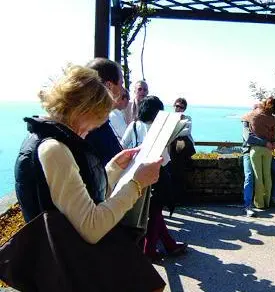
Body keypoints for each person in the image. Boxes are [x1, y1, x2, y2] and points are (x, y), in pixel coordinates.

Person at [13, 65, 165, 290]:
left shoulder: (41, 138)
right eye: (94, 121)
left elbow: (75, 200)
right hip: (71, 271)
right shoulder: (54, 149)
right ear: (81, 110)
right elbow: (92, 227)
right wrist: (136, 183)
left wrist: (113, 168)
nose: (90, 131)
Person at [122, 96, 188, 261]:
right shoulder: (160, 130)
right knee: (155, 211)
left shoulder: (135, 125)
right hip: (158, 173)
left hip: (138, 172)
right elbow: (164, 157)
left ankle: (169, 245)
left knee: (153, 212)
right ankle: (149, 249)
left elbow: (123, 145)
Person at [84, 58, 124, 166]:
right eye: (121, 84)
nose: (123, 90)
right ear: (109, 86)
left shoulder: (92, 121)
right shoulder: (91, 127)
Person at [241, 121, 275, 217]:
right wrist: (265, 143)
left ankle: (274, 197)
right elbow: (249, 138)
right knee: (249, 176)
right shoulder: (246, 123)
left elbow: (270, 136)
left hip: (265, 154)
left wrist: (273, 142)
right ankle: (247, 205)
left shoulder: (262, 122)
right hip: (249, 153)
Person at [242, 97, 275, 209]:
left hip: (255, 150)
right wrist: (271, 143)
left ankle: (259, 203)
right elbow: (273, 136)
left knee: (258, 177)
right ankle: (267, 201)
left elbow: (249, 137)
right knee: (267, 176)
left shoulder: (253, 117)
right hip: (267, 149)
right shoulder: (273, 119)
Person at [168, 97, 196, 201]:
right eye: (177, 106)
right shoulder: (169, 117)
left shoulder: (187, 118)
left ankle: (178, 197)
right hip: (173, 149)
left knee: (180, 171)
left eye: (181, 107)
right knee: (174, 171)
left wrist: (173, 132)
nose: (178, 108)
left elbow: (186, 131)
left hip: (182, 149)